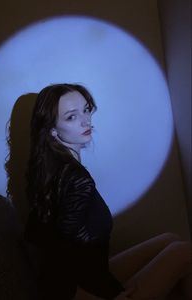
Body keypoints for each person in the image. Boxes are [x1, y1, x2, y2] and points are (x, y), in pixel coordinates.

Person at [23, 83, 191, 300]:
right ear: (52, 130)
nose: (86, 120)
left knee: (171, 239)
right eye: (71, 117)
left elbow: (36, 234)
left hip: (92, 274)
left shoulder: (50, 168)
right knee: (185, 251)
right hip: (81, 290)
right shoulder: (76, 180)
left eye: (86, 110)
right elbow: (57, 259)